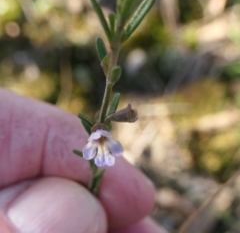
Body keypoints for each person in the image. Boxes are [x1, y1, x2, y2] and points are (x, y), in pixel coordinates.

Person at [0, 89, 167, 233]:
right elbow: (90, 151)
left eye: (103, 137)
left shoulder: (104, 140)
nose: (101, 139)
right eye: (98, 138)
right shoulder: (93, 144)